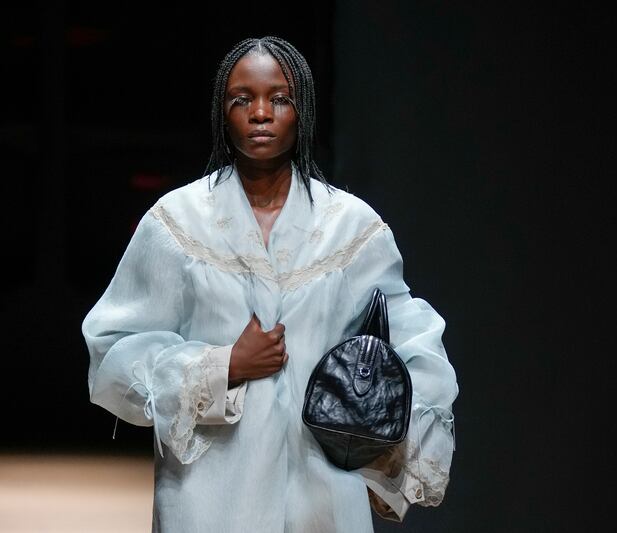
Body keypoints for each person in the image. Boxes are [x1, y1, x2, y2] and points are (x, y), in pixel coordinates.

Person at [82, 36, 458, 532]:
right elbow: (114, 349)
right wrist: (222, 366)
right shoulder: (178, 223)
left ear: (302, 111)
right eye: (243, 99)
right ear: (223, 112)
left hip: (323, 495)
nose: (261, 113)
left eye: (279, 98)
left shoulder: (351, 228)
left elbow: (413, 342)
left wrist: (382, 449)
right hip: (211, 497)